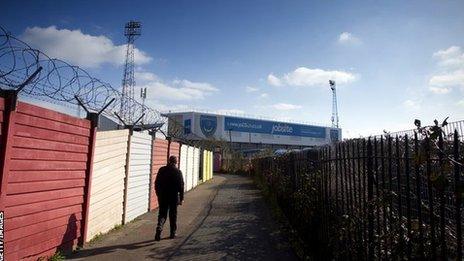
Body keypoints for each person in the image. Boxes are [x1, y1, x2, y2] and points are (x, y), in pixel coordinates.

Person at [154, 155, 184, 241]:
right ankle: (172, 233)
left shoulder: (161, 170)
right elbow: (181, 186)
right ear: (176, 162)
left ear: (168, 161)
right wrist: (181, 198)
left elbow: (156, 183)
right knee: (173, 215)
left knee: (162, 214)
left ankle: (159, 228)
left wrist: (158, 194)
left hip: (163, 196)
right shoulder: (178, 172)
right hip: (173, 197)